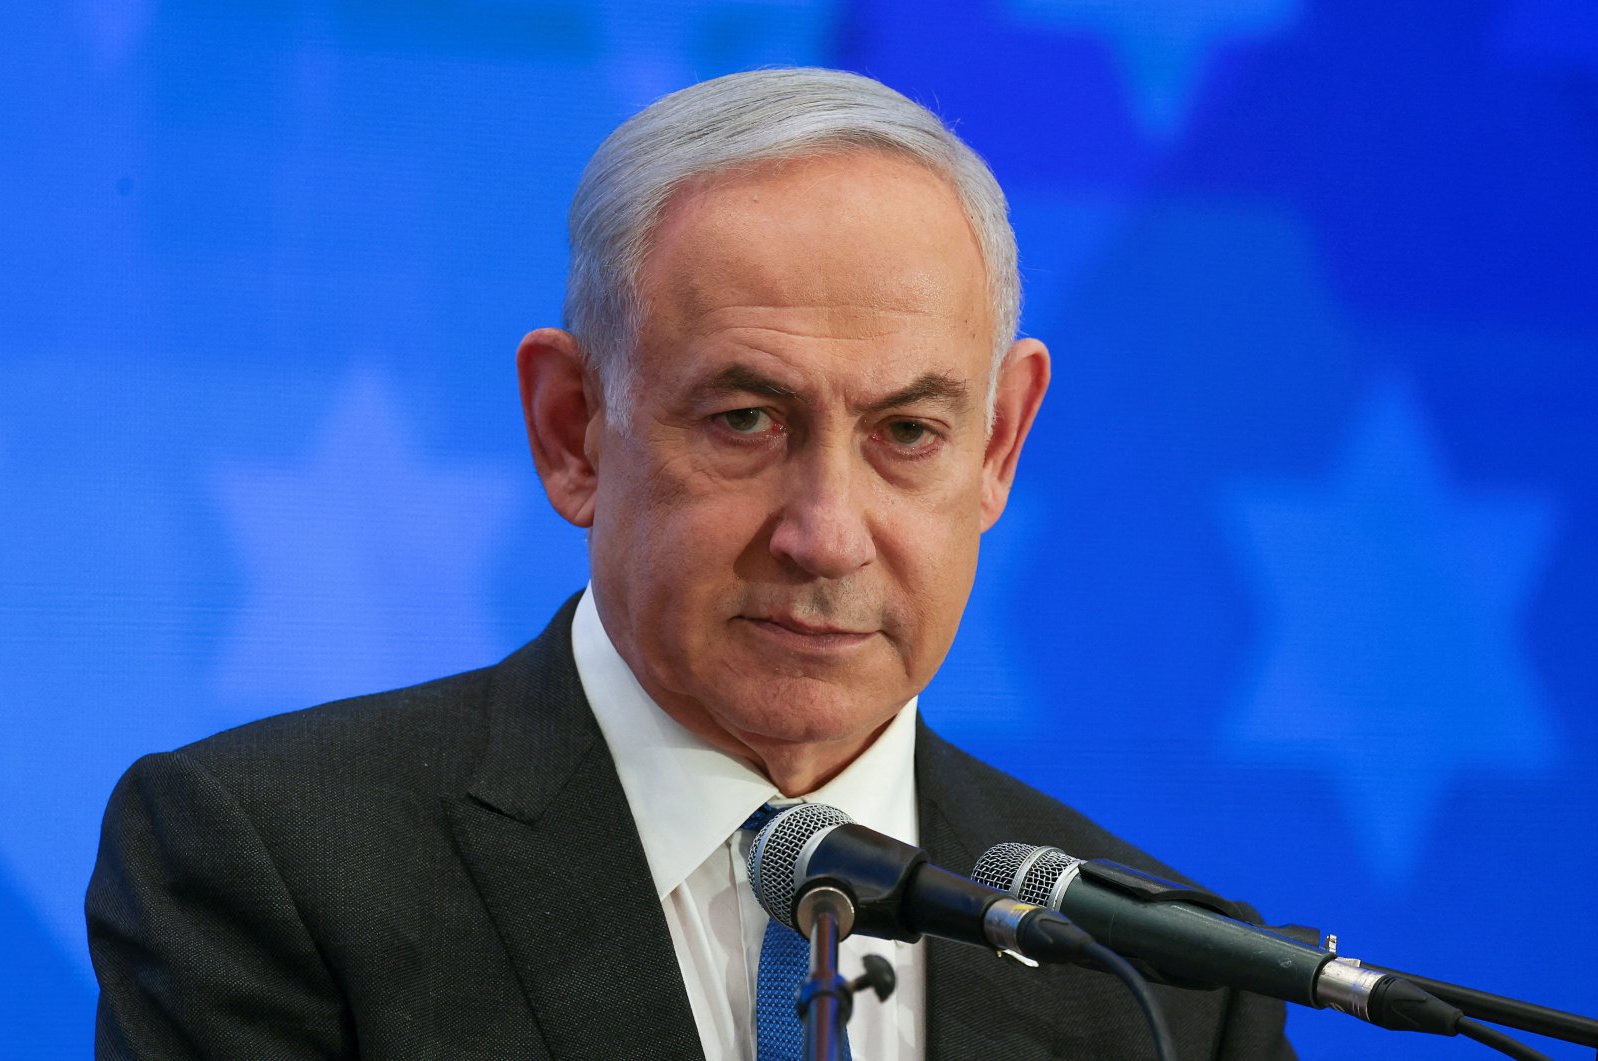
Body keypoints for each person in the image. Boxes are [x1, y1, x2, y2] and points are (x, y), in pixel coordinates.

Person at [87, 68, 1294, 1059]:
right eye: (743, 421)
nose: (824, 532)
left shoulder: (1170, 982)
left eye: (906, 433)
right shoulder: (274, 863)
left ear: (999, 445)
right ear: (573, 428)